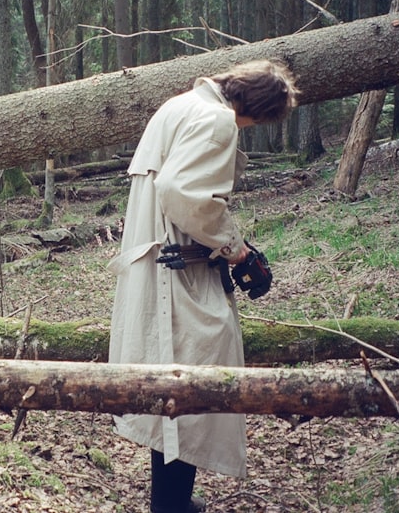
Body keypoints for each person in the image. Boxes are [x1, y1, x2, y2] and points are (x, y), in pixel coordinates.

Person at [108, 60, 298, 513]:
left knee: (172, 387)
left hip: (162, 264)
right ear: (255, 106)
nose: (250, 127)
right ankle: (170, 506)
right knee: (191, 386)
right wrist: (236, 250)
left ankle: (173, 501)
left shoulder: (180, 105)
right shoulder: (216, 119)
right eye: (259, 119)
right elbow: (182, 193)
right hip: (178, 273)